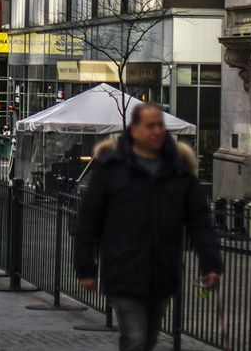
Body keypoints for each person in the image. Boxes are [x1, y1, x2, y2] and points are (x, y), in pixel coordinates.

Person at [75, 103, 222, 351]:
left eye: (160, 126)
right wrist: (85, 267)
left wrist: (211, 263)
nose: (156, 131)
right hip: (124, 270)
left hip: (162, 272)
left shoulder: (178, 172)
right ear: (134, 130)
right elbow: (89, 220)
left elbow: (199, 222)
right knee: (135, 338)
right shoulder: (112, 169)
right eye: (150, 126)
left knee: (149, 339)